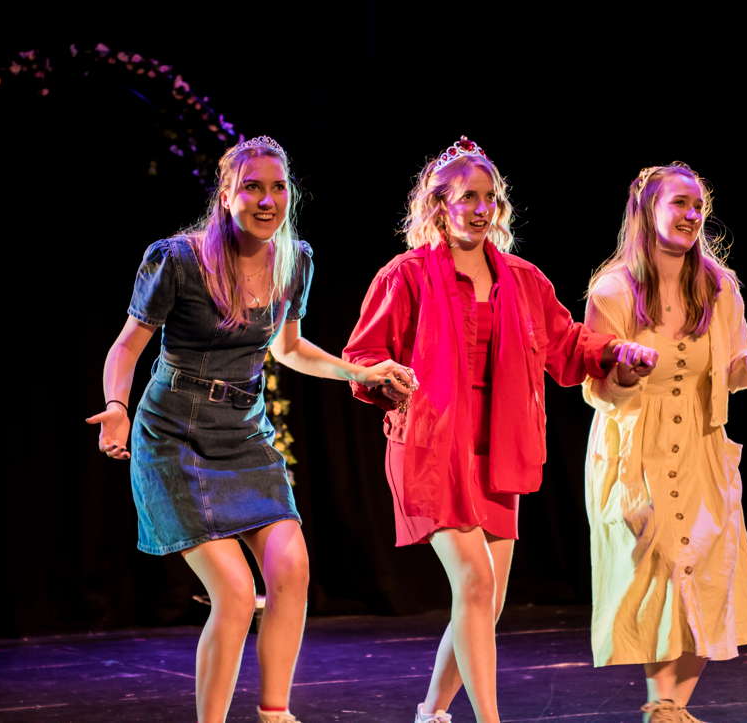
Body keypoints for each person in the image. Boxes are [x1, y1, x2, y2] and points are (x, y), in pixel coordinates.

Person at [86, 136, 414, 723]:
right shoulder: (179, 259)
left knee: (292, 570)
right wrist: (117, 405)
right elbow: (126, 346)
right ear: (226, 194)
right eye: (253, 187)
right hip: (172, 438)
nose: (267, 200)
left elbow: (287, 349)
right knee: (235, 594)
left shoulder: (294, 260)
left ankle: (274, 714)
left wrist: (358, 371)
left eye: (278, 187)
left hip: (244, 435)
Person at [343, 137, 657, 723]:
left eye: (490, 197)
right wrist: (382, 376)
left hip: (500, 449)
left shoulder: (522, 278)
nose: (481, 208)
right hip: (433, 447)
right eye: (468, 198)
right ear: (440, 205)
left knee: (485, 601)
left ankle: (430, 714)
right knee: (476, 586)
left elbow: (568, 344)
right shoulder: (406, 274)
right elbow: (362, 355)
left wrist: (618, 352)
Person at [581, 162, 747, 723]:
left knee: (707, 573)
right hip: (636, 450)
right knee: (662, 580)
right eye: (679, 203)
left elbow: (729, 369)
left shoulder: (719, 287)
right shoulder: (613, 289)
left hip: (700, 447)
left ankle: (668, 708)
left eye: (697, 205)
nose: (692, 215)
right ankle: (664, 706)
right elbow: (600, 386)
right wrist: (627, 369)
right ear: (647, 211)